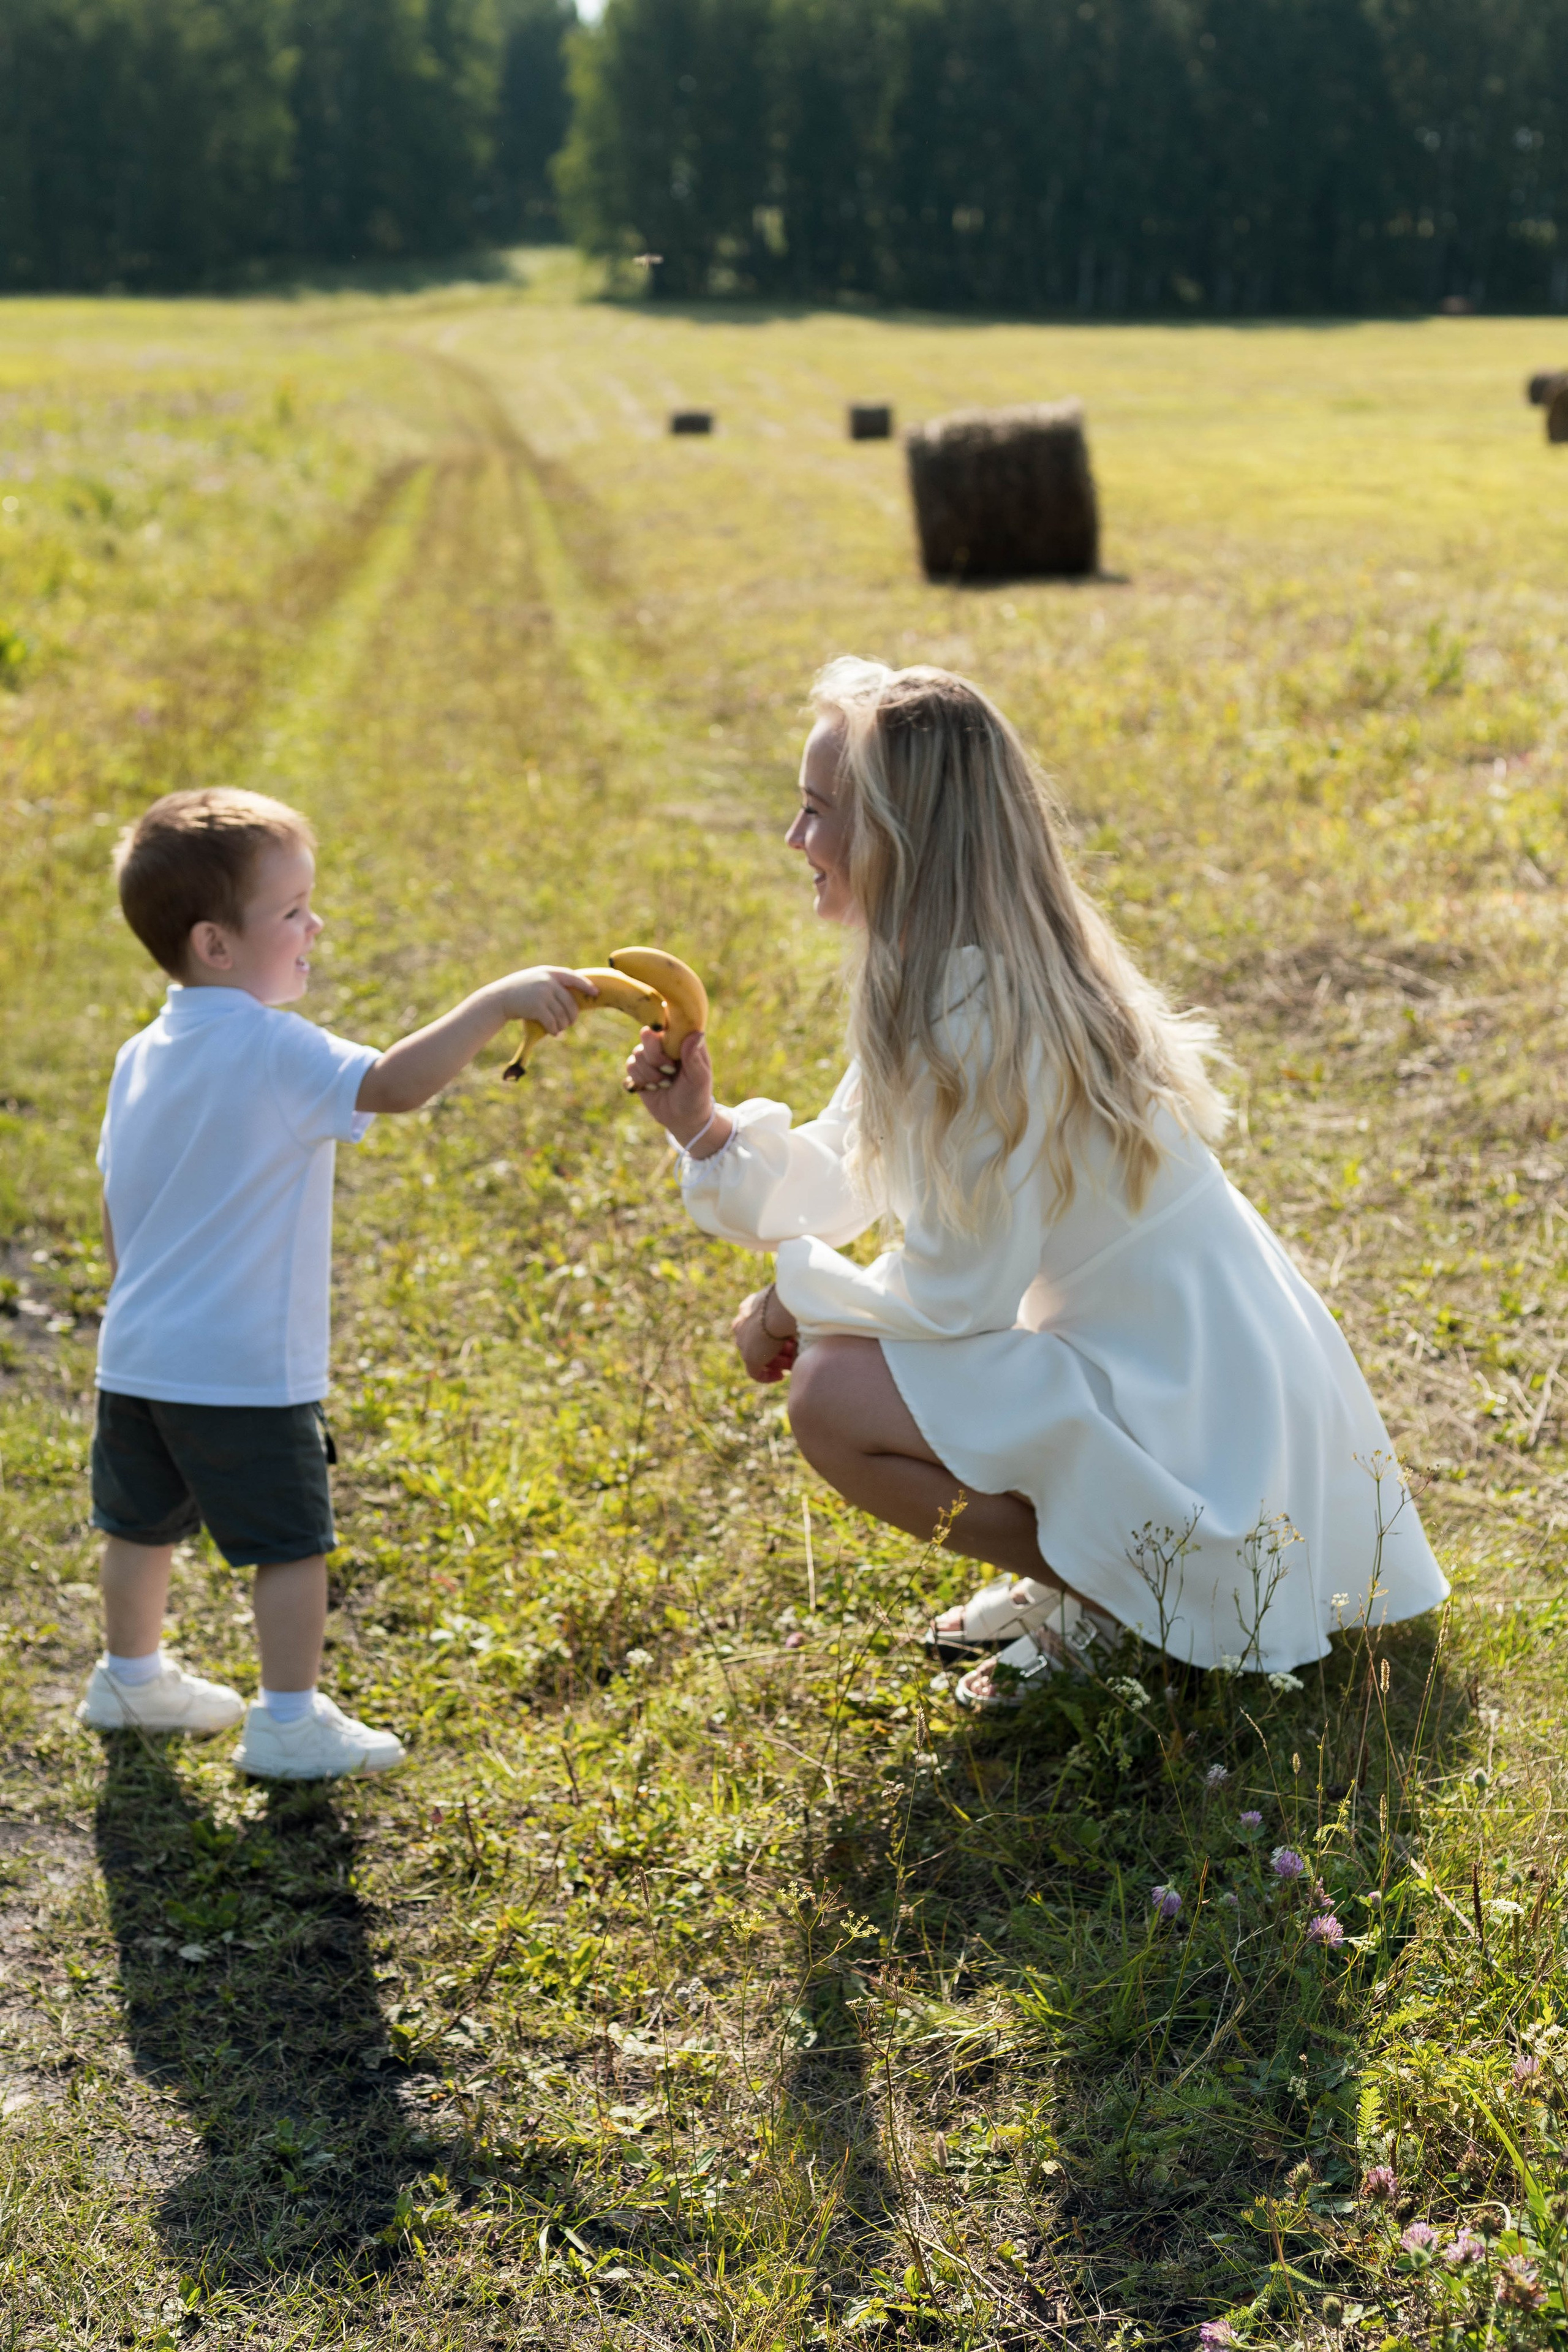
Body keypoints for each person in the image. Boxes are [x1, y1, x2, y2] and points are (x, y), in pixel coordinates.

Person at [625, 659, 1446, 1707]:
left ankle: (1128, 1591)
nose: (795, 841)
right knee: (856, 1362)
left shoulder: (981, 1020)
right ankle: (1097, 1571)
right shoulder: (957, 973)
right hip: (1168, 1368)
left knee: (832, 1393)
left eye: (816, 812)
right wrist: (702, 1130)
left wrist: (792, 1300)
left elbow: (954, 1295)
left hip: (1189, 1400)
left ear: (899, 839)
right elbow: (842, 1176)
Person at [81, 786, 593, 1773]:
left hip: (137, 1351)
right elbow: (397, 1085)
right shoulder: (271, 1047)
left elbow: (117, 1200)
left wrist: (137, 1302)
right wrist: (495, 1001)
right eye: (291, 912)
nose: (315, 926)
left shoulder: (140, 1054)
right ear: (216, 945)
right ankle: (288, 1719)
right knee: (291, 1542)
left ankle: (130, 1677)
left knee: (138, 1523)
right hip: (241, 1367)